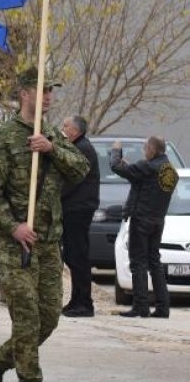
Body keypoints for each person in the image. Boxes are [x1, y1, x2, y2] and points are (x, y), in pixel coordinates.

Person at [0, 68, 88, 382]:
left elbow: (81, 169)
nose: (49, 96)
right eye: (42, 90)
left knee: (49, 317)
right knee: (26, 319)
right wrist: (14, 226)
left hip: (49, 244)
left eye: (51, 90)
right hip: (16, 244)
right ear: (24, 93)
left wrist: (52, 149)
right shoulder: (4, 138)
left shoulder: (52, 134)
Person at [110, 136, 177, 319]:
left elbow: (115, 167)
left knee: (138, 263)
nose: (143, 152)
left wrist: (116, 150)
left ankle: (141, 307)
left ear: (152, 149)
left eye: (145, 148)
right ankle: (163, 308)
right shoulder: (170, 170)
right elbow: (145, 183)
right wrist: (131, 168)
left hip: (142, 220)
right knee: (154, 262)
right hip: (158, 221)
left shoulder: (148, 167)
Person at [59, 115, 100, 318]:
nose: (63, 129)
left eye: (66, 126)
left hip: (79, 208)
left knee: (78, 255)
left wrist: (53, 195)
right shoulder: (78, 146)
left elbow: (72, 180)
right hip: (72, 208)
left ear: (75, 130)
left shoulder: (82, 148)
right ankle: (76, 300)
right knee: (72, 255)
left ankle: (84, 303)